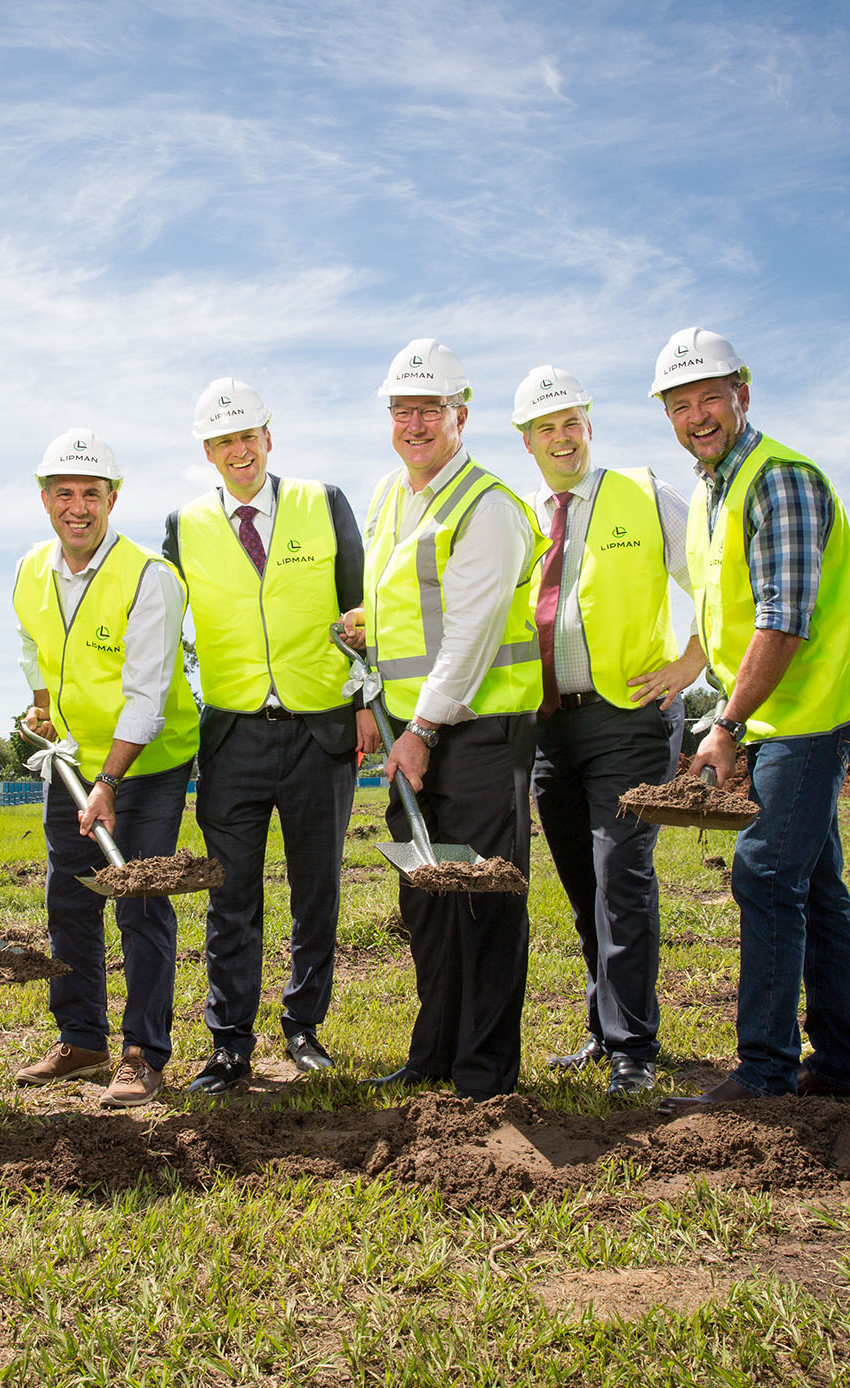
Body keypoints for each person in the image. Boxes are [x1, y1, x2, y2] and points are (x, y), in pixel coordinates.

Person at [648, 328, 850, 1110]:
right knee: (815, 883)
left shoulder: (778, 481)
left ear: (742, 393)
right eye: (681, 404)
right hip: (777, 713)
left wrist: (725, 726)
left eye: (710, 396)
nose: (698, 414)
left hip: (806, 714)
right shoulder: (714, 488)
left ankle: (766, 1073)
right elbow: (729, 618)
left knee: (765, 874)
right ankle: (844, 1066)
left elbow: (782, 621)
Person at [339, 339, 547, 1100]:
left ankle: (485, 1071)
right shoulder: (390, 496)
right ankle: (434, 1053)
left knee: (484, 897)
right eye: (402, 410)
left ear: (462, 414)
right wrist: (367, 631)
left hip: (479, 732)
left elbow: (473, 630)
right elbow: (409, 603)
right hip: (407, 729)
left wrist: (422, 733)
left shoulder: (489, 506)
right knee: (427, 899)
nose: (415, 423)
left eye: (430, 409)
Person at [162, 379, 377, 1093]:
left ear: (268, 437)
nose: (239, 450)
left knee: (317, 888)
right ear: (208, 451)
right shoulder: (184, 525)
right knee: (231, 898)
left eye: (248, 435)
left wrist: (370, 704)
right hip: (233, 737)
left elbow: (361, 606)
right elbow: (156, 624)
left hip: (321, 729)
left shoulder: (323, 502)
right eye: (224, 440)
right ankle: (229, 1045)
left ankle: (304, 1027)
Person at [511, 366, 708, 1098]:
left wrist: (692, 661)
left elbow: (717, 579)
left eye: (572, 423)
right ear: (526, 441)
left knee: (620, 877)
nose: (562, 438)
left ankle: (634, 1049)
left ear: (588, 426)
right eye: (546, 428)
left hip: (630, 718)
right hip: (551, 727)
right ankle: (603, 1028)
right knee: (581, 882)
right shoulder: (525, 515)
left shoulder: (645, 493)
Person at [12, 429, 200, 1108]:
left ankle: (144, 1053)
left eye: (92, 492)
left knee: (139, 899)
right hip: (74, 764)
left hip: (143, 763)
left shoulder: (150, 576)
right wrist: (41, 706)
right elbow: (32, 646)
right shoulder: (32, 570)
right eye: (64, 492)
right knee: (71, 899)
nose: (78, 506)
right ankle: (82, 1040)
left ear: (113, 498)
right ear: (45, 499)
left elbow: (147, 695)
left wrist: (110, 783)